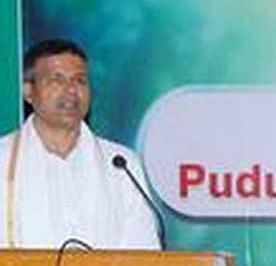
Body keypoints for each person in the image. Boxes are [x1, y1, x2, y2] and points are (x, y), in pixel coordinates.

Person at [0, 38, 160, 250]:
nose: (71, 90)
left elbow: (143, 252)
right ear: (28, 91)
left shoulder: (121, 164)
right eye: (57, 80)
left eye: (79, 80)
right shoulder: (4, 158)